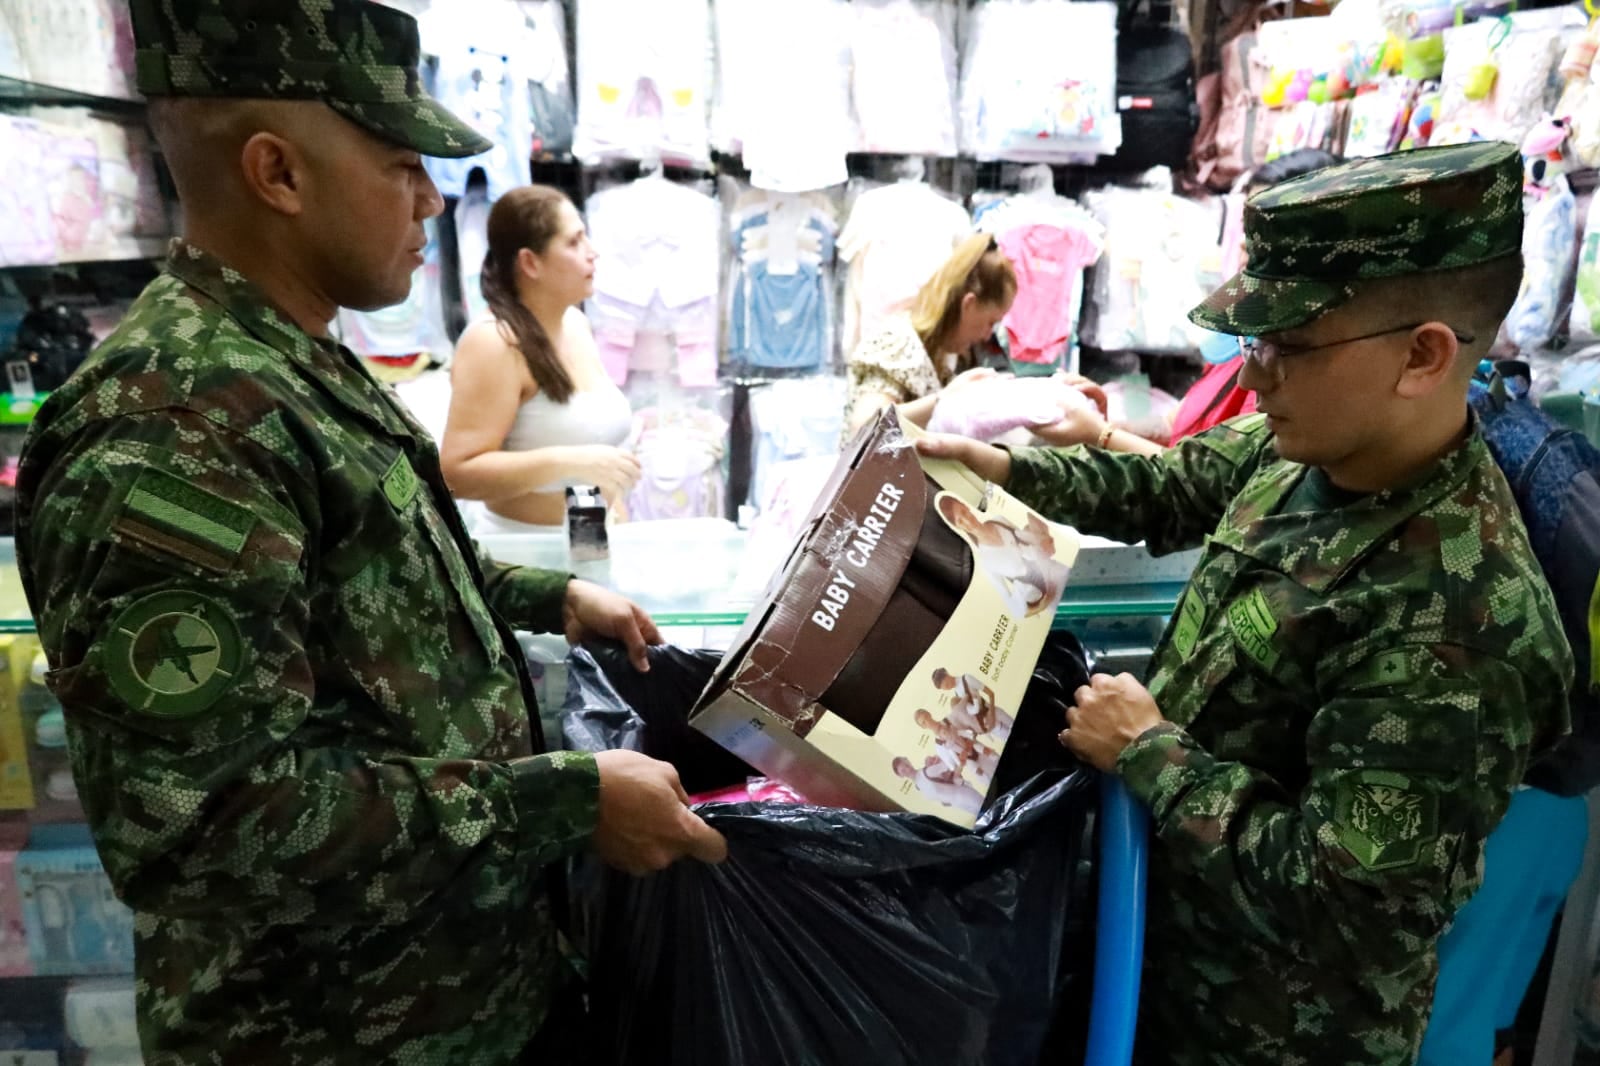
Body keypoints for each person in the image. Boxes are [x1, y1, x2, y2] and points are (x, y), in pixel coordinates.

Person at [14, 3, 725, 1063]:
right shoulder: (172, 428)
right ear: (278, 173)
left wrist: (548, 599)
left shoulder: (287, 357)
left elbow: (372, 578)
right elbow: (203, 825)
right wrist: (560, 802)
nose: (433, 201)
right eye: (400, 165)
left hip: (461, 997)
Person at [916, 141, 1572, 1066]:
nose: (1253, 373)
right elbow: (1172, 487)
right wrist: (1005, 468)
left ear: (1422, 356)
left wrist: (1151, 755)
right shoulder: (1310, 448)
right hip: (1164, 977)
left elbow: (1349, 911)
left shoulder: (1457, 624)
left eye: (1290, 345)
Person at [1042, 148, 1343, 457]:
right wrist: (1100, 423)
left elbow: (1216, 485)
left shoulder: (1300, 372)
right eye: (1247, 226)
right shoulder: (1238, 334)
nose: (1243, 243)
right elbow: (1177, 424)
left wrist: (1100, 434)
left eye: (1268, 231)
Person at [441, 185, 640, 530]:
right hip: (524, 558)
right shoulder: (494, 342)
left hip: (593, 545)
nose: (592, 253)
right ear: (530, 262)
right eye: (574, 242)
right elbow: (456, 474)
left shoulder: (576, 324)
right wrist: (568, 463)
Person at [842, 232, 1017, 438]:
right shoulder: (899, 343)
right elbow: (863, 427)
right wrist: (945, 399)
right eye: (991, 322)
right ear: (968, 304)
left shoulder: (941, 355)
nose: (988, 335)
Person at [932, 667, 1014, 743]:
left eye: (946, 684)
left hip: (994, 712)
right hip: (988, 724)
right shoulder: (956, 696)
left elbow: (990, 693)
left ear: (947, 675)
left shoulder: (967, 679)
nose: (947, 688)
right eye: (945, 688)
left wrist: (991, 713)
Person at [891, 755, 986, 816]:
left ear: (908, 761)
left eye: (906, 765)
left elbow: (950, 764)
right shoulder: (918, 786)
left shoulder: (926, 772)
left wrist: (936, 759)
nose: (908, 770)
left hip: (965, 795)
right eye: (903, 770)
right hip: (959, 804)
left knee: (989, 810)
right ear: (900, 776)